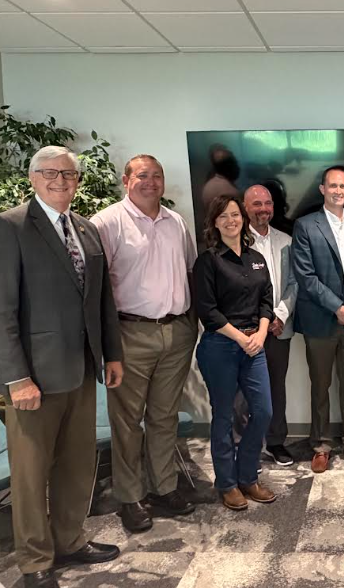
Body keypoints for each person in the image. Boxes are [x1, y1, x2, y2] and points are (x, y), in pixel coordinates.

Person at [0, 146, 123, 588]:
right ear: (33, 178)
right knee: (30, 471)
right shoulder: (7, 227)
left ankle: (71, 540)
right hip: (33, 377)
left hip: (80, 369)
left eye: (68, 174)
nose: (60, 180)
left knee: (78, 464)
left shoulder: (85, 228)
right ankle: (35, 560)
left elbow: (101, 301)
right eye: (49, 173)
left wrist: (111, 354)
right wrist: (16, 377)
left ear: (77, 181)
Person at [91, 154, 198, 533]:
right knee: (126, 421)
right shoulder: (106, 222)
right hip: (129, 334)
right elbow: (95, 287)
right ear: (126, 180)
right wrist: (107, 344)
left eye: (156, 175)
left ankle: (164, 488)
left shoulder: (177, 222)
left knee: (164, 417)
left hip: (176, 332)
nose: (150, 182)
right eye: (142, 175)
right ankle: (130, 497)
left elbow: (189, 271)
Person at [292, 166, 344, 473]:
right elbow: (306, 276)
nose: (338, 191)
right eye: (333, 186)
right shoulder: (305, 226)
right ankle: (321, 445)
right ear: (322, 189)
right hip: (320, 322)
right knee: (320, 386)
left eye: (343, 186)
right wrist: (336, 308)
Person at [194, 195, 276, 511]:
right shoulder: (209, 261)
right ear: (215, 222)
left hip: (254, 343)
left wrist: (261, 332)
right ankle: (227, 483)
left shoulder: (256, 258)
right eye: (224, 216)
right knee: (225, 416)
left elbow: (266, 301)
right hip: (221, 346)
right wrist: (241, 338)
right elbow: (208, 311)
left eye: (236, 214)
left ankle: (248, 477)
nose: (232, 220)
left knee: (263, 411)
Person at [243, 184, 297, 466]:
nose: (263, 209)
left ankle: (276, 442)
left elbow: (293, 283)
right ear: (245, 207)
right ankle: (245, 446)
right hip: (247, 331)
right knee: (244, 391)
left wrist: (280, 315)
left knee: (277, 387)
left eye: (267, 203)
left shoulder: (286, 241)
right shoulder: (236, 242)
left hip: (279, 328)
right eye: (256, 204)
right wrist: (259, 322)